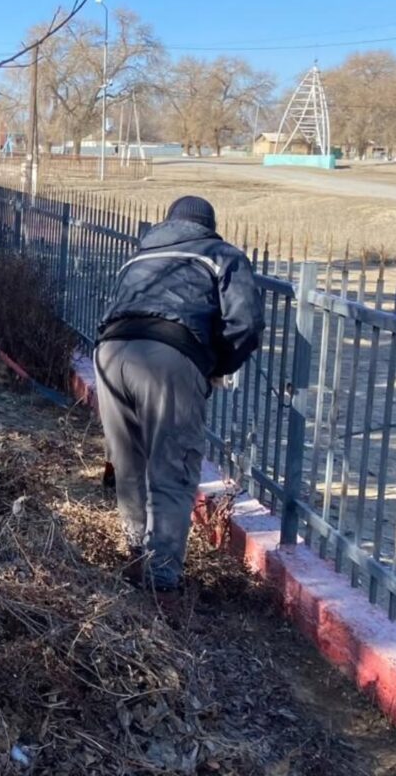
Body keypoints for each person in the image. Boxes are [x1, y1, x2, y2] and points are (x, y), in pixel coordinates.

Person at [94, 195, 264, 607]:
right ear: (210, 225)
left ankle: (137, 555)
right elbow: (245, 323)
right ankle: (163, 586)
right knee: (173, 468)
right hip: (167, 358)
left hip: (109, 353)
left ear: (168, 222)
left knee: (130, 461)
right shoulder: (222, 254)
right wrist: (214, 365)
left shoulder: (139, 256)